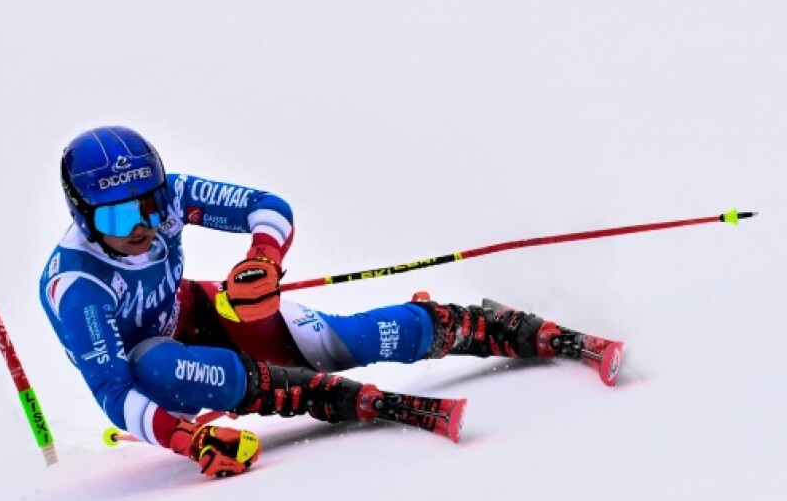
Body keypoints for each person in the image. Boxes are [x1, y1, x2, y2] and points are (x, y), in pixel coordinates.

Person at [39, 126, 616, 478]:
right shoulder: (80, 287)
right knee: (154, 363)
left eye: (150, 202)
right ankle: (298, 392)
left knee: (339, 343)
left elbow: (266, 206)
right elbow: (114, 391)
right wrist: (184, 439)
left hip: (203, 312)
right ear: (84, 217)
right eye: (119, 215)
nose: (144, 224)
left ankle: (479, 326)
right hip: (161, 377)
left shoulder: (165, 201)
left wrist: (262, 260)